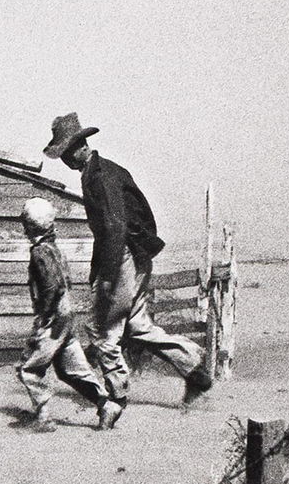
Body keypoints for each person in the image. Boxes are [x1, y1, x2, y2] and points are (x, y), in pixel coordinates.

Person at [43, 113, 215, 427]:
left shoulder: (101, 176)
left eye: (67, 152)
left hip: (123, 255)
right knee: (137, 327)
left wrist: (108, 278)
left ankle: (115, 399)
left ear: (81, 146)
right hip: (132, 254)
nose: (65, 159)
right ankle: (194, 369)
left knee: (103, 332)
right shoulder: (98, 172)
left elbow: (114, 227)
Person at [15, 197, 111, 429]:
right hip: (67, 315)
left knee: (29, 368)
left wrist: (44, 318)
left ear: (30, 226)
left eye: (25, 223)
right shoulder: (55, 249)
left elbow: (51, 286)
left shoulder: (39, 252)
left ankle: (43, 416)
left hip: (54, 316)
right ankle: (107, 405)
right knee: (72, 369)